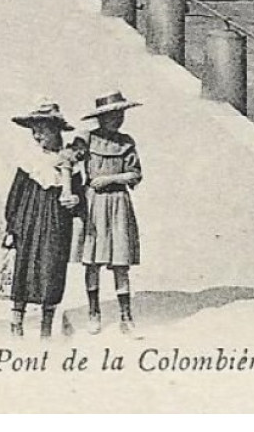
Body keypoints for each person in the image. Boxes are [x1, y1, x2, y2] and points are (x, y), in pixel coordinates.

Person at [3, 102, 82, 338]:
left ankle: (46, 326)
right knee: (24, 267)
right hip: (29, 219)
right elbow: (15, 195)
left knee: (52, 268)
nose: (38, 137)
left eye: (43, 131)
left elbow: (78, 195)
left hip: (57, 223)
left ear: (56, 130)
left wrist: (75, 201)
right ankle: (17, 321)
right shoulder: (30, 160)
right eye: (34, 132)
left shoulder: (69, 162)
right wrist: (11, 226)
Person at [75, 92, 143, 335]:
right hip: (94, 205)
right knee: (92, 260)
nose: (117, 120)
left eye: (120, 115)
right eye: (111, 116)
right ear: (100, 118)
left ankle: (126, 316)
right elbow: (70, 161)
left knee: (120, 260)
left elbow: (135, 174)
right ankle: (94, 312)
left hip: (119, 202)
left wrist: (109, 179)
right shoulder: (86, 139)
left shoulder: (126, 142)